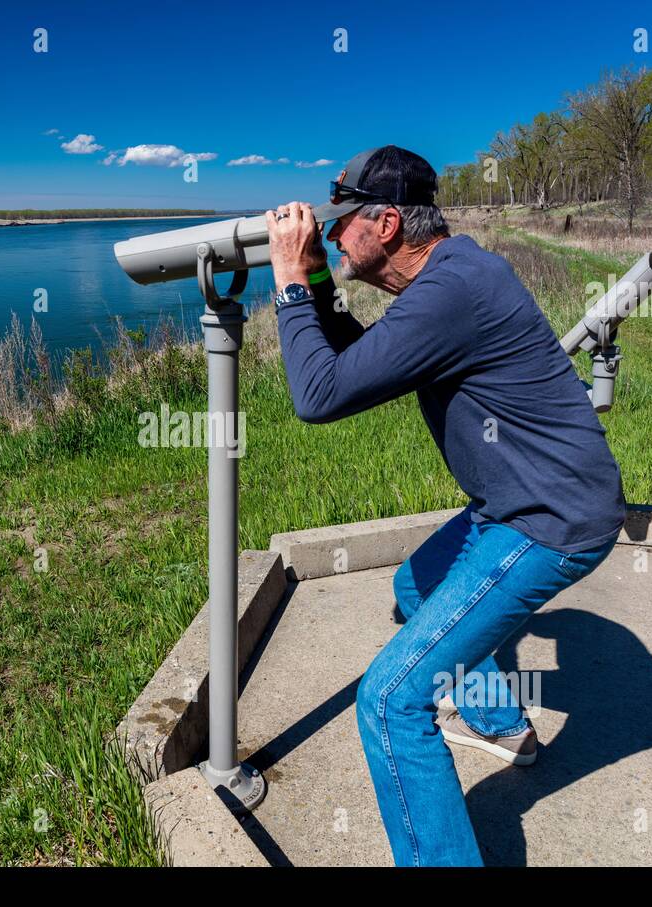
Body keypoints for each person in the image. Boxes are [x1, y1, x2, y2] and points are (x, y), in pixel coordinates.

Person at [264, 145, 626, 866]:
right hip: (522, 500)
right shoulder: (452, 276)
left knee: (393, 703)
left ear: (389, 223)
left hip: (548, 520)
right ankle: (496, 723)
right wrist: (313, 282)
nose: (331, 236)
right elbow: (352, 366)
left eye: (342, 224)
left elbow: (318, 395)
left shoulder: (452, 291)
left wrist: (285, 284)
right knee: (415, 583)